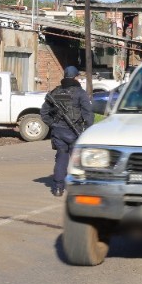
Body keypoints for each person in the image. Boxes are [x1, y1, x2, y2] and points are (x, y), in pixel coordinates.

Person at [40, 65, 93, 197]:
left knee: (61, 158)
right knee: (78, 161)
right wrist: (88, 129)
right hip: (75, 132)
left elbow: (44, 112)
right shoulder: (80, 93)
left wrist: (52, 124)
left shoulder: (55, 92)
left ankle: (58, 188)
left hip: (59, 132)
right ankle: (78, 187)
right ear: (75, 77)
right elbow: (88, 113)